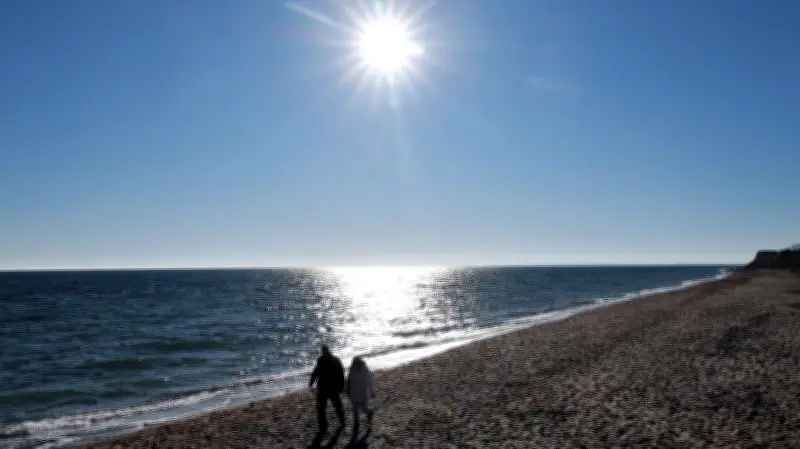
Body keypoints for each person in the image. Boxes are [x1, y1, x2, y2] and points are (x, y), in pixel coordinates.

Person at [309, 345, 345, 432]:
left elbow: (315, 372)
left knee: (322, 408)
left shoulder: (321, 360)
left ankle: (324, 426)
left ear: (324, 351)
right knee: (336, 406)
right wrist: (341, 387)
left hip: (324, 388)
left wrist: (311, 383)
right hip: (332, 388)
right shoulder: (335, 360)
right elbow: (341, 374)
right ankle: (341, 422)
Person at [346, 356, 375, 437]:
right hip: (362, 392)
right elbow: (370, 381)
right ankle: (367, 413)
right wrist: (372, 391)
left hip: (355, 392)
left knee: (356, 408)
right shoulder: (364, 369)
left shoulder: (352, 369)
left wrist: (347, 390)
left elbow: (349, 381)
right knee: (362, 407)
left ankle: (357, 422)